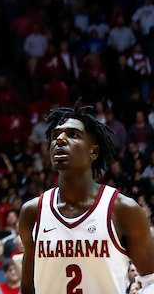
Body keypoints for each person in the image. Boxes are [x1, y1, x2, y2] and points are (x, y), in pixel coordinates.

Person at [18, 106, 154, 294]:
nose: (60, 139)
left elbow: (151, 281)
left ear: (94, 152)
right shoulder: (32, 211)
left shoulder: (123, 209)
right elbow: (27, 288)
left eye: (73, 135)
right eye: (55, 135)